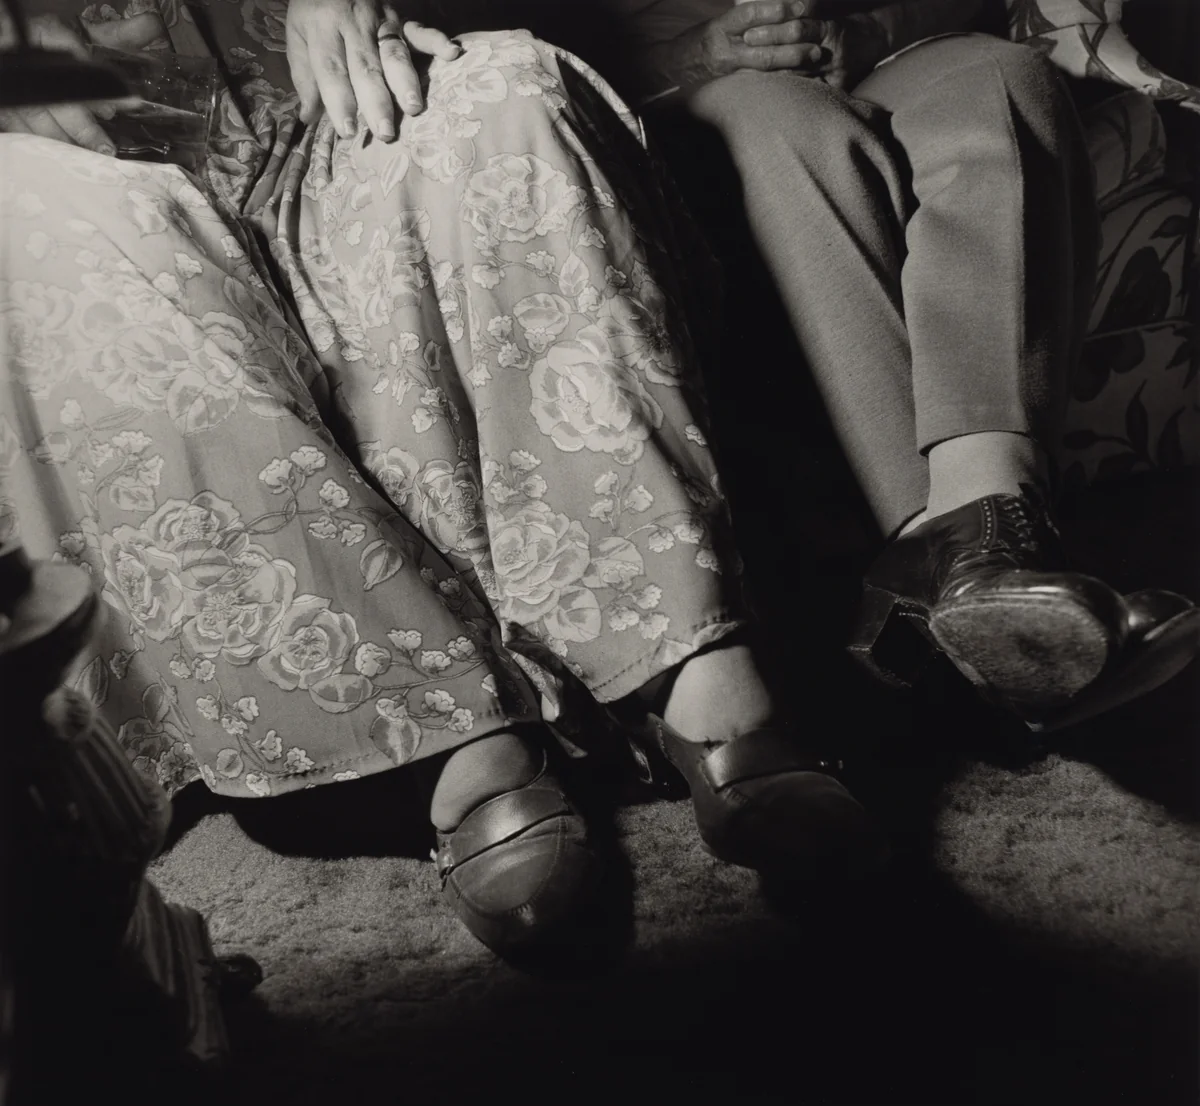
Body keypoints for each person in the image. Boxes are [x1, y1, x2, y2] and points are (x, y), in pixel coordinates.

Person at [0, 0, 884, 959]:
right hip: (100, 162)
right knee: (30, 211)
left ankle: (687, 656)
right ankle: (453, 732)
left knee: (501, 86)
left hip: (316, 121)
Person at [573, 0, 1200, 732]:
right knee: (780, 119)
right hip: (668, 97)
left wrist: (872, 29)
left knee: (1001, 75)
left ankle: (986, 530)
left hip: (873, 57)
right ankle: (937, 576)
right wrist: (680, 59)